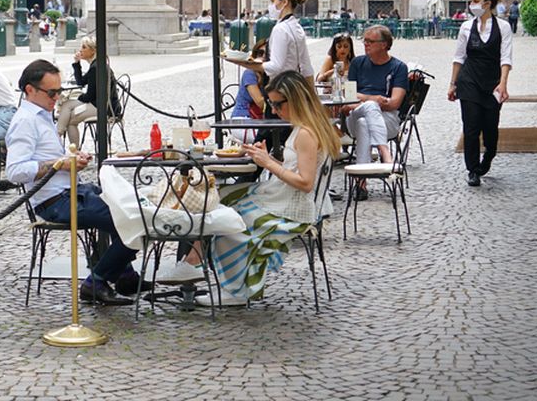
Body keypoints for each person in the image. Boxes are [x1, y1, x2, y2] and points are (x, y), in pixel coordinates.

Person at [160, 71, 341, 304]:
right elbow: (296, 169)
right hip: (285, 198)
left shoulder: (305, 133)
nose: (274, 110)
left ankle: (231, 287)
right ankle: (195, 263)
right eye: (271, 104)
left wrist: (268, 164)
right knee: (222, 198)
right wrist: (267, 159)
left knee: (227, 216)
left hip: (292, 209)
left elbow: (305, 183)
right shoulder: (306, 127)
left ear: (295, 99)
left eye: (277, 104)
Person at [5, 59, 146, 305]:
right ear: (30, 90)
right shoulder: (25, 121)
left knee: (132, 204)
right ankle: (96, 282)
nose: (57, 97)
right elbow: (15, 171)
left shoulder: (43, 114)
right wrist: (60, 163)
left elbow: (54, 158)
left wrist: (71, 158)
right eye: (52, 92)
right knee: (132, 219)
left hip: (71, 191)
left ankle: (125, 275)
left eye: (59, 91)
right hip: (54, 202)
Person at [448, 0, 513, 187]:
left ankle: (489, 156)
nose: (471, 5)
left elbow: (506, 58)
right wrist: (452, 84)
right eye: (471, 1)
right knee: (471, 127)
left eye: (475, 1)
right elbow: (459, 57)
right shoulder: (466, 27)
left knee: (490, 128)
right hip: (469, 80)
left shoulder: (503, 27)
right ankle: (473, 170)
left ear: (487, 4)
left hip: (492, 81)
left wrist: (503, 84)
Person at [343, 24, 409, 197]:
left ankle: (361, 183)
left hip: (387, 119)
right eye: (364, 41)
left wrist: (363, 98)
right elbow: (349, 99)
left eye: (370, 41)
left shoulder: (398, 67)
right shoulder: (357, 63)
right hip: (355, 115)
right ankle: (385, 154)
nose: (366, 45)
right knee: (371, 107)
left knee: (365, 123)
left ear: (384, 44)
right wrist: (374, 100)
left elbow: (394, 103)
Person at [57, 36, 119, 148]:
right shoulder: (96, 65)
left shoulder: (96, 67)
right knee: (67, 104)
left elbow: (89, 96)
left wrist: (78, 97)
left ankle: (63, 142)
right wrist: (77, 63)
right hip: (100, 104)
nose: (81, 50)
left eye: (84, 47)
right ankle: (59, 136)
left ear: (93, 50)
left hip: (103, 108)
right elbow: (81, 81)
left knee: (70, 119)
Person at [258, 0, 313, 88]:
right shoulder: (297, 27)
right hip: (296, 86)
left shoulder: (280, 29)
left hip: (282, 87)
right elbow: (306, 67)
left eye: (273, 1)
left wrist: (248, 65)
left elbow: (276, 66)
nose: (271, 6)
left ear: (284, 2)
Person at [231, 42, 267, 123]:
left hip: (259, 119)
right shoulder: (250, 73)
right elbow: (260, 103)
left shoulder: (268, 74)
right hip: (243, 118)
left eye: (268, 53)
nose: (264, 56)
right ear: (255, 55)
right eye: (260, 53)